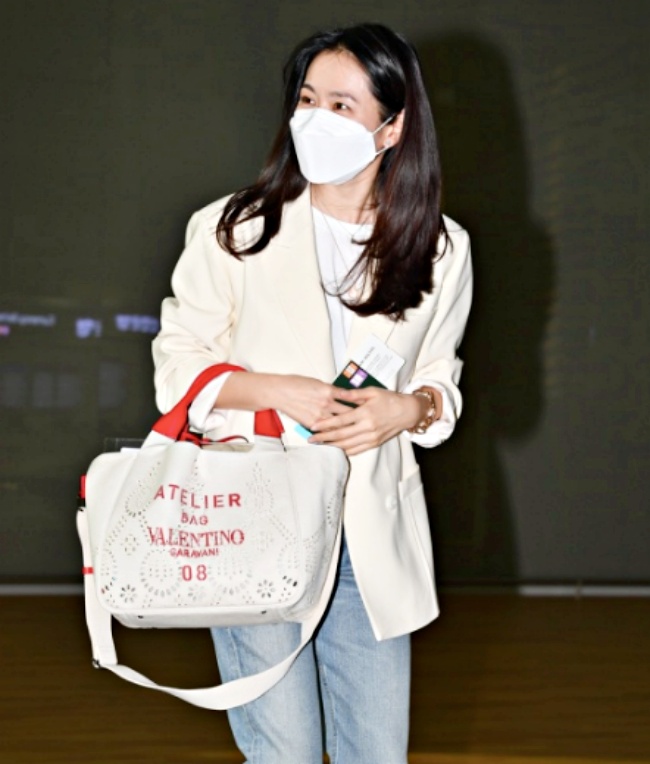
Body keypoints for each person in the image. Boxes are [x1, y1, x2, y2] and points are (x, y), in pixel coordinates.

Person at [153, 22, 472, 764]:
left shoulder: (440, 247)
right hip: (253, 518)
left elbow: (440, 380)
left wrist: (408, 410)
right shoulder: (234, 228)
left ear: (392, 129)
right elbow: (176, 369)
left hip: (368, 530)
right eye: (306, 99)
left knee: (376, 752)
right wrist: (280, 392)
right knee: (284, 751)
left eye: (341, 105)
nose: (314, 118)